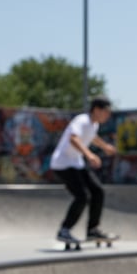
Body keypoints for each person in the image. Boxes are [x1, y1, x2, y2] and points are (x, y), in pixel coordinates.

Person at [51, 97, 118, 244]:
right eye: (106, 112)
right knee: (82, 196)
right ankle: (64, 230)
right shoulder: (82, 120)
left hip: (76, 164)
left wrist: (105, 147)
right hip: (63, 164)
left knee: (98, 191)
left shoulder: (93, 125)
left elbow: (92, 137)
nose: (108, 116)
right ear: (96, 110)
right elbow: (73, 139)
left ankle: (92, 230)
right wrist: (89, 155)